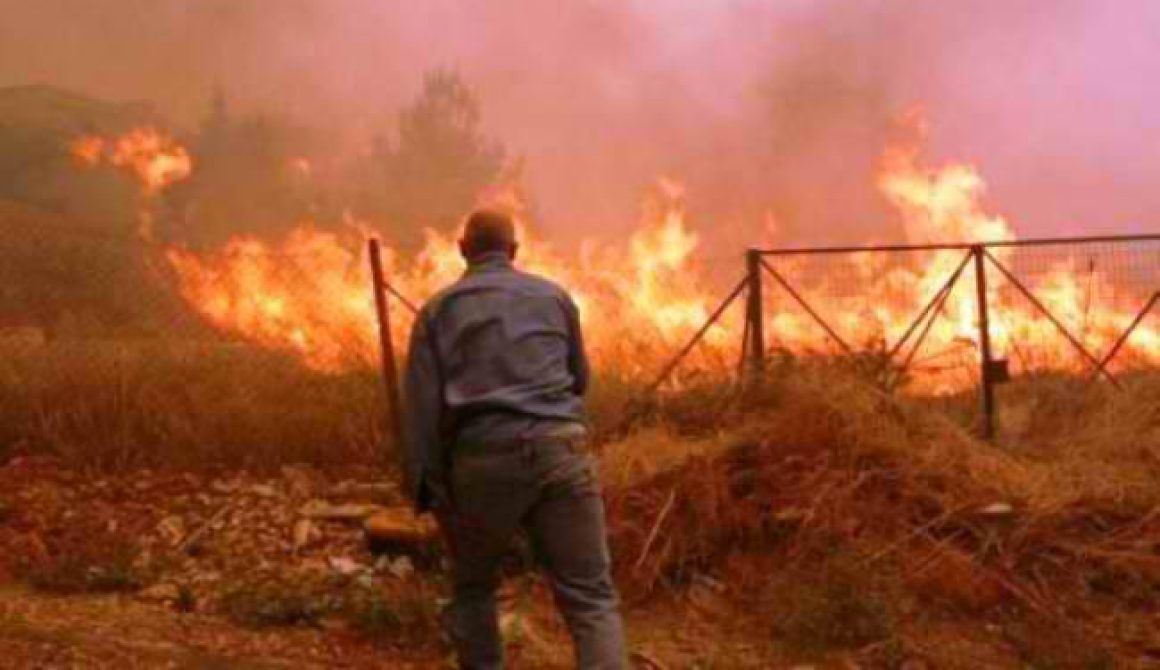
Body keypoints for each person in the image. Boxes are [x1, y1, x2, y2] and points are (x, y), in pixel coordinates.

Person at [401, 209, 627, 669]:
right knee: (591, 599)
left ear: (463, 249)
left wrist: (425, 486)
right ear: (515, 251)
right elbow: (579, 380)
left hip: (482, 460)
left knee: (474, 588)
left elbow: (422, 409)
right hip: (560, 449)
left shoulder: (438, 310)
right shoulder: (554, 297)